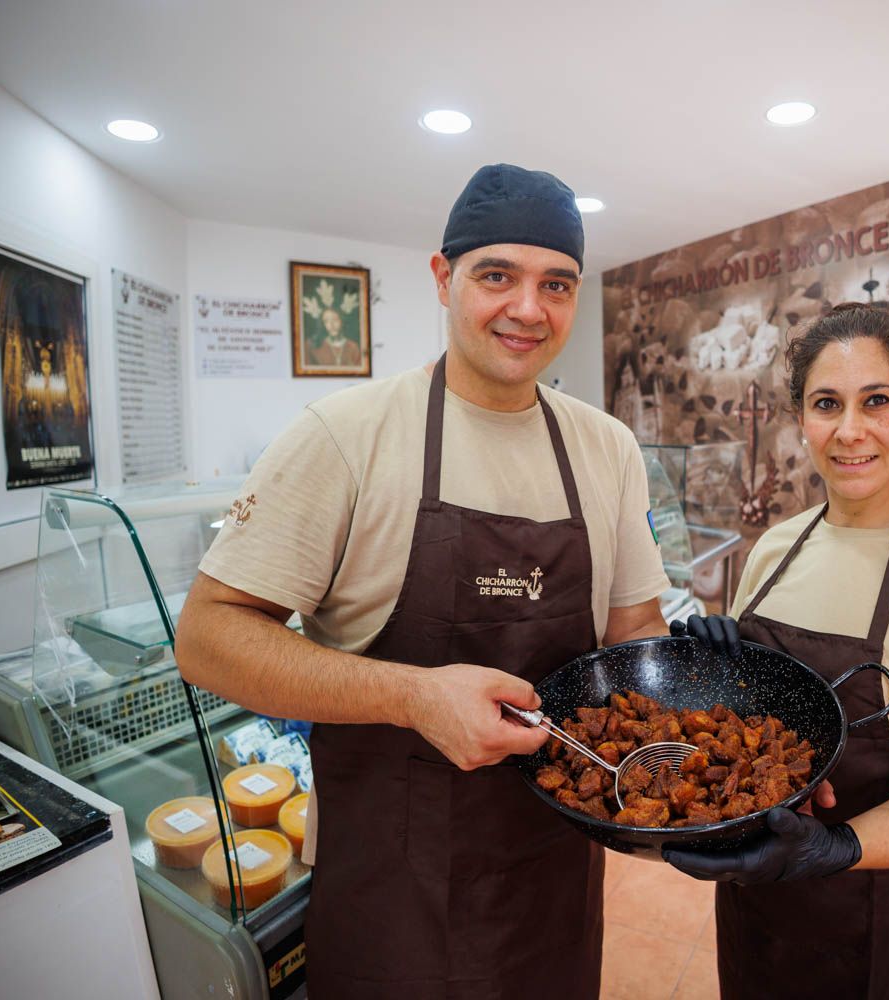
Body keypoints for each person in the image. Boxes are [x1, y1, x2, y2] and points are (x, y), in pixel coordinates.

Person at [175, 163, 672, 999]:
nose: (528, 309)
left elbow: (635, 634)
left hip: (555, 881)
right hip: (391, 898)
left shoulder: (608, 448)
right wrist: (413, 696)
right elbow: (207, 638)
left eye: (556, 284)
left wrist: (685, 764)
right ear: (444, 278)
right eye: (497, 276)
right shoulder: (346, 436)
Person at [666, 303, 889, 998]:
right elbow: (751, 725)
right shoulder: (776, 548)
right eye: (827, 404)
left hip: (888, 922)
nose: (850, 430)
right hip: (761, 906)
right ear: (801, 419)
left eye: (877, 401)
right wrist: (717, 672)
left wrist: (835, 847)